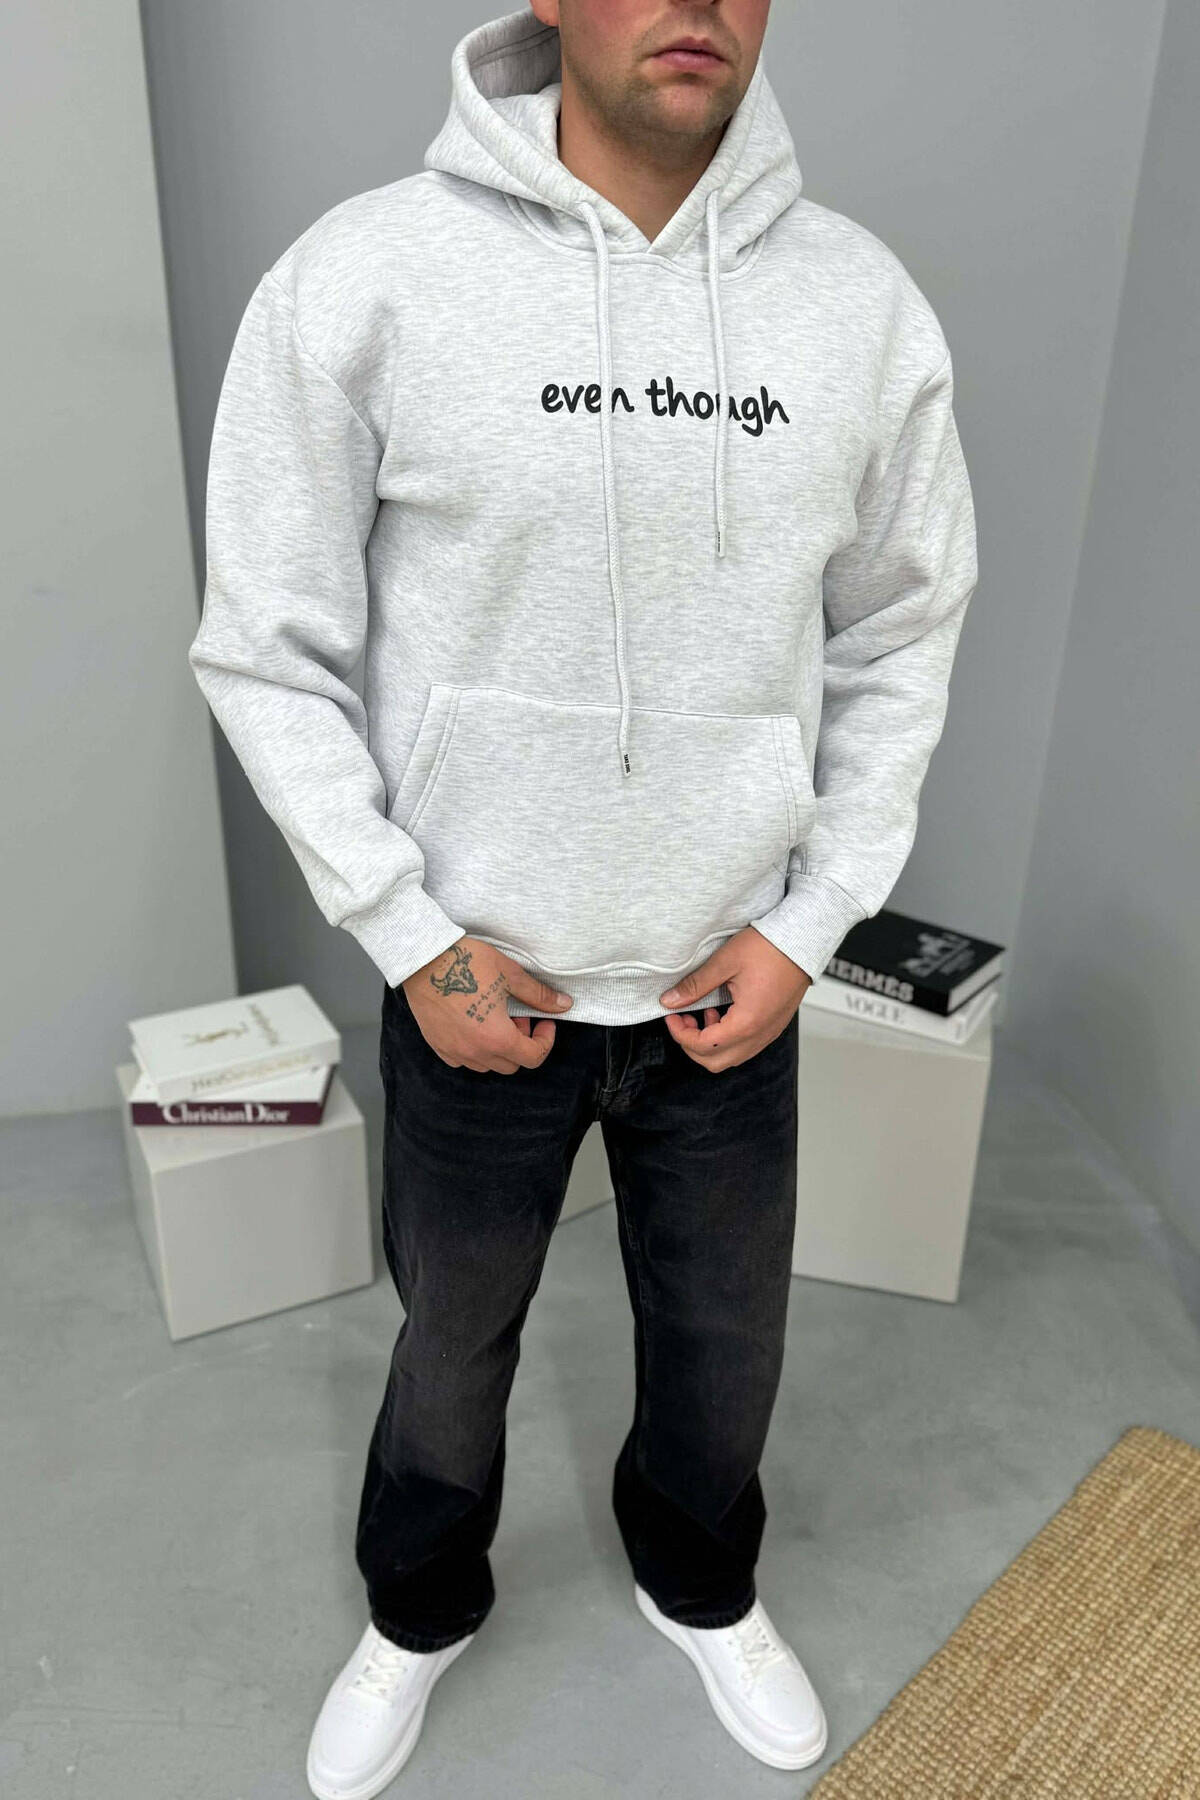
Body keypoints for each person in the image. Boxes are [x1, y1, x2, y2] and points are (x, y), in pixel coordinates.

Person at [188, 1, 978, 1792]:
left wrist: (811, 923)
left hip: (730, 973)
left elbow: (905, 630)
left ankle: (700, 1582)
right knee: (452, 1336)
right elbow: (265, 645)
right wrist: (408, 934)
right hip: (482, 977)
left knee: (726, 1339)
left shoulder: (857, 308)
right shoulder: (366, 277)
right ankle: (418, 1606)